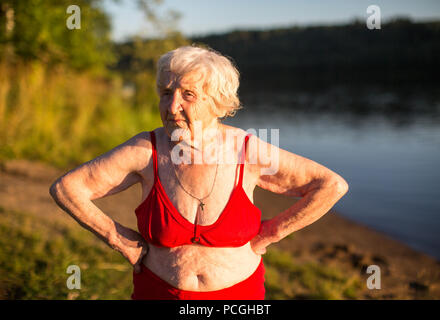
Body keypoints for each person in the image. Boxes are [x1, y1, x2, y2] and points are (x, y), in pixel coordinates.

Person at [49, 45, 349, 300]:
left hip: (239, 296)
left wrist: (273, 232)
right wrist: (117, 238)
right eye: (166, 93)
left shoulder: (247, 151)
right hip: (157, 291)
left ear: (217, 102)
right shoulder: (145, 150)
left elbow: (330, 185)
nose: (172, 105)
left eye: (187, 95)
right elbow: (67, 188)